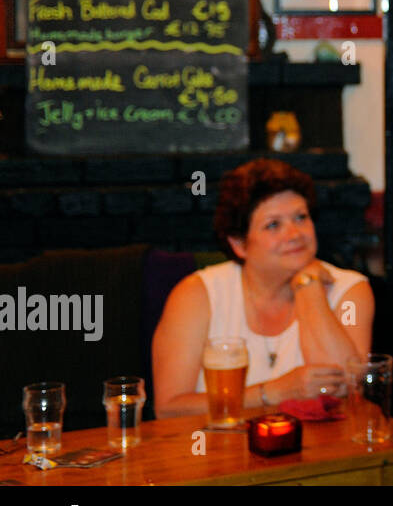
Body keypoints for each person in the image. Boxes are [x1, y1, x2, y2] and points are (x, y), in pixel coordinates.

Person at [152, 158, 375, 417]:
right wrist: (272, 393)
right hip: (216, 451)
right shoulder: (196, 294)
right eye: (273, 225)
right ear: (239, 244)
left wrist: (309, 286)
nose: (295, 234)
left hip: (318, 452)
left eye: (301, 217)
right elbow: (169, 408)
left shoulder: (349, 291)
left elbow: (344, 387)